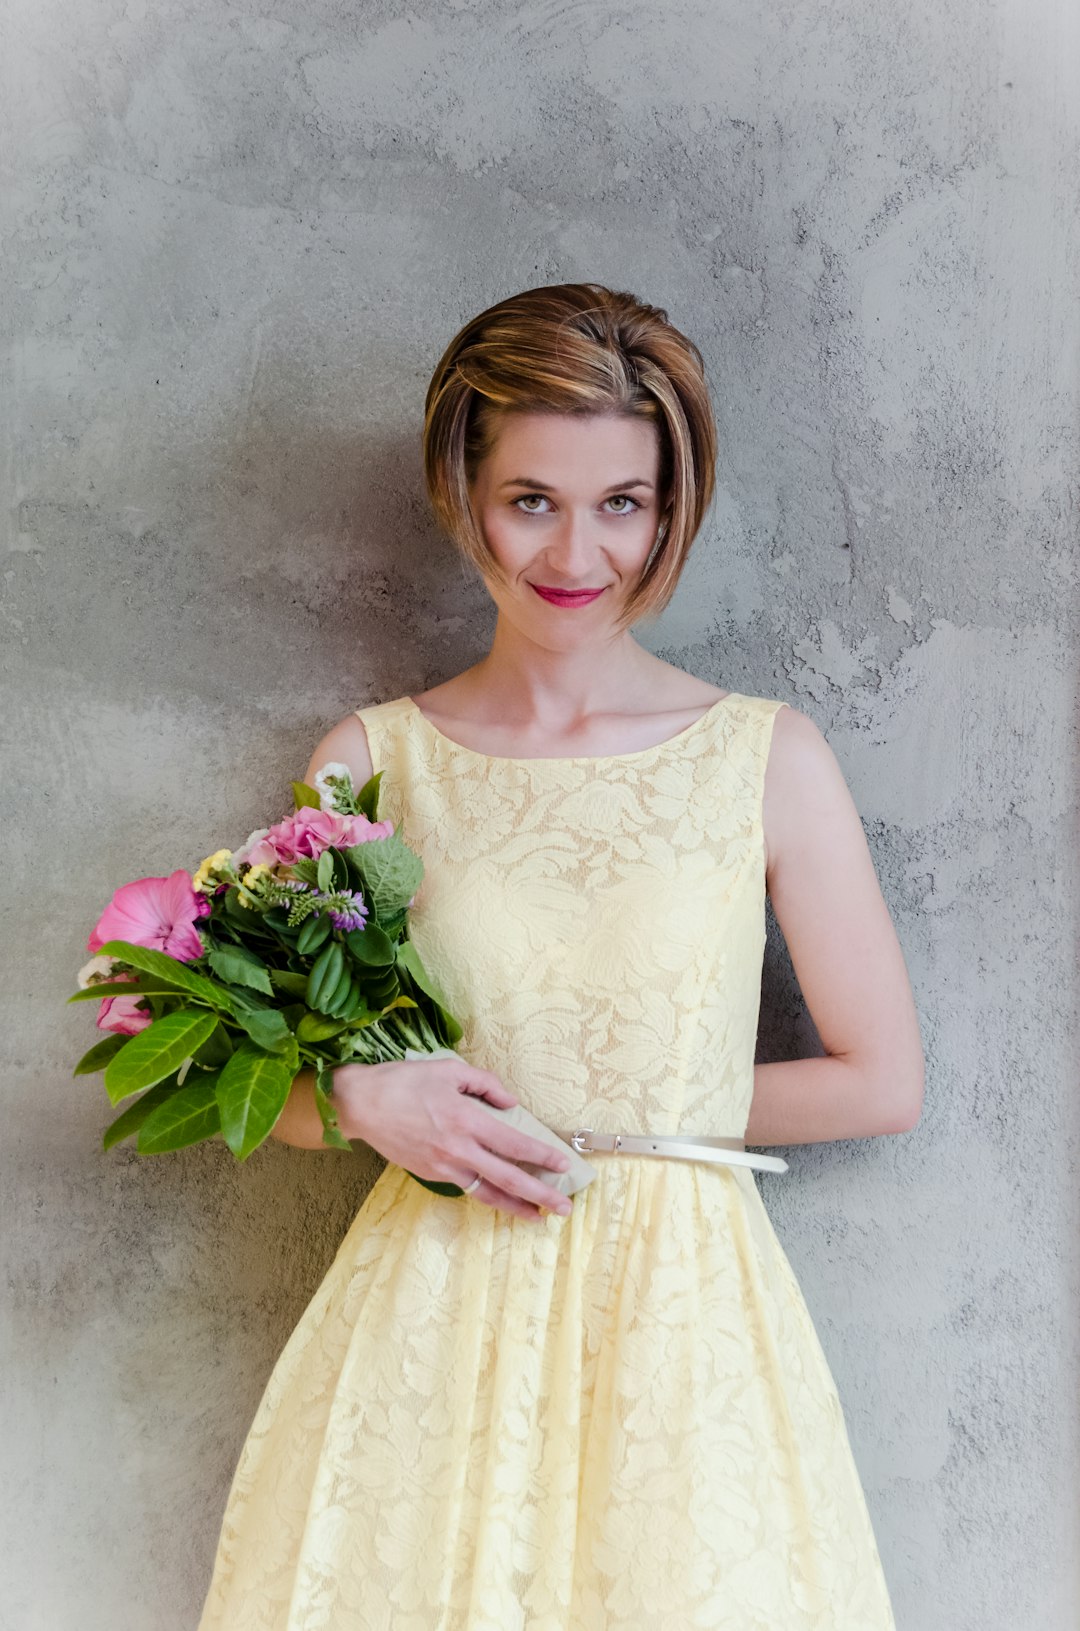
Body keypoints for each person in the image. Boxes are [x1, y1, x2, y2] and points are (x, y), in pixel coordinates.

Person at [197, 282, 924, 1629]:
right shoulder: (370, 762)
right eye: (531, 498)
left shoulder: (768, 759)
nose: (576, 551)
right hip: (434, 1307)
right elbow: (279, 1098)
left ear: (670, 507)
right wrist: (360, 1096)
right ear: (460, 490)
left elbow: (881, 1079)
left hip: (685, 1321)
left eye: (623, 504)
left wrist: (605, 1116)